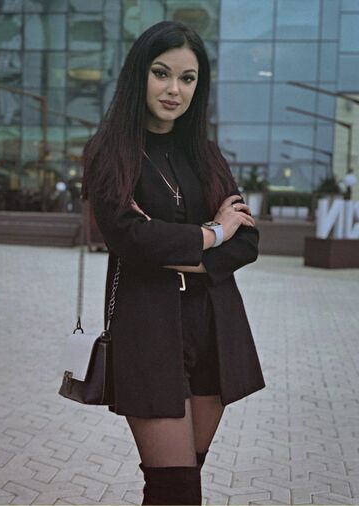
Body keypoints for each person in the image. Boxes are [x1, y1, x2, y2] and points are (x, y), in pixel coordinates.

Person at [81, 20, 266, 506]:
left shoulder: (206, 155)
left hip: (214, 326)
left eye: (187, 78)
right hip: (148, 329)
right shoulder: (110, 154)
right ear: (139, 74)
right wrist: (213, 233)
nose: (174, 90)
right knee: (174, 489)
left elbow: (247, 241)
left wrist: (182, 254)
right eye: (161, 73)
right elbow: (130, 238)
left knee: (185, 482)